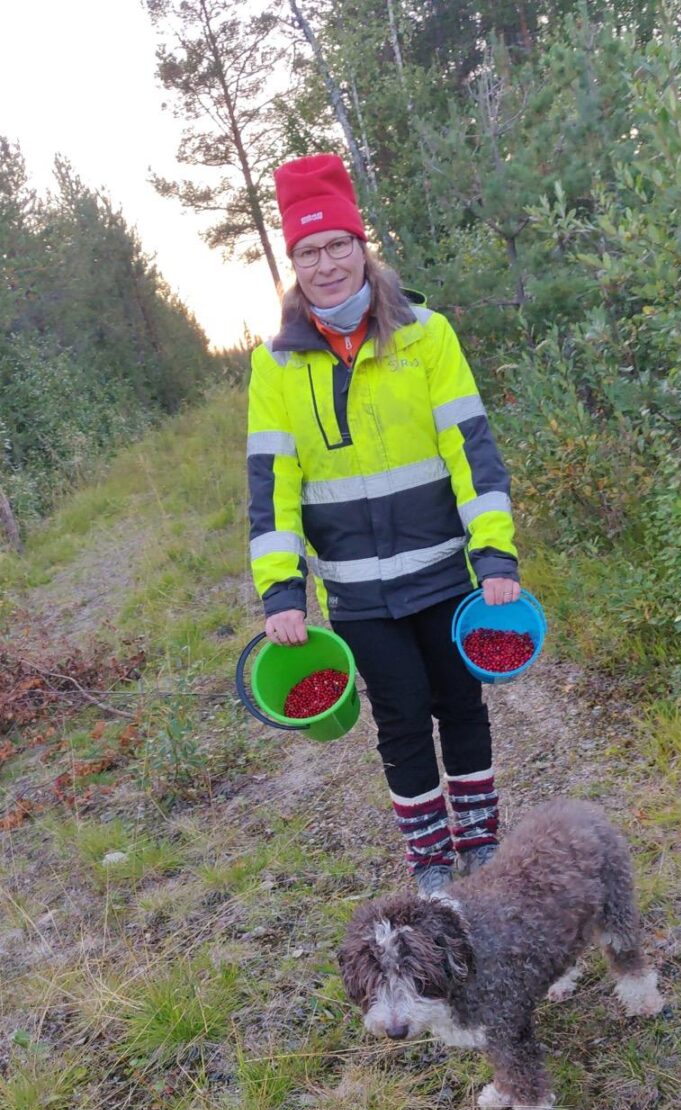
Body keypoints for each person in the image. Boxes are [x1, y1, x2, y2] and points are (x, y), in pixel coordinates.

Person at [247, 152, 520, 895]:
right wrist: (282, 593)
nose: (327, 264)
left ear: (361, 246)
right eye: (308, 251)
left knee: (460, 705)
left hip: (443, 573)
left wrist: (494, 554)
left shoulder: (426, 335)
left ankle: (482, 849)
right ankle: (431, 865)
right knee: (400, 719)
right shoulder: (276, 365)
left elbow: (471, 450)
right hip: (358, 593)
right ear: (293, 264)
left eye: (338, 244)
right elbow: (272, 486)